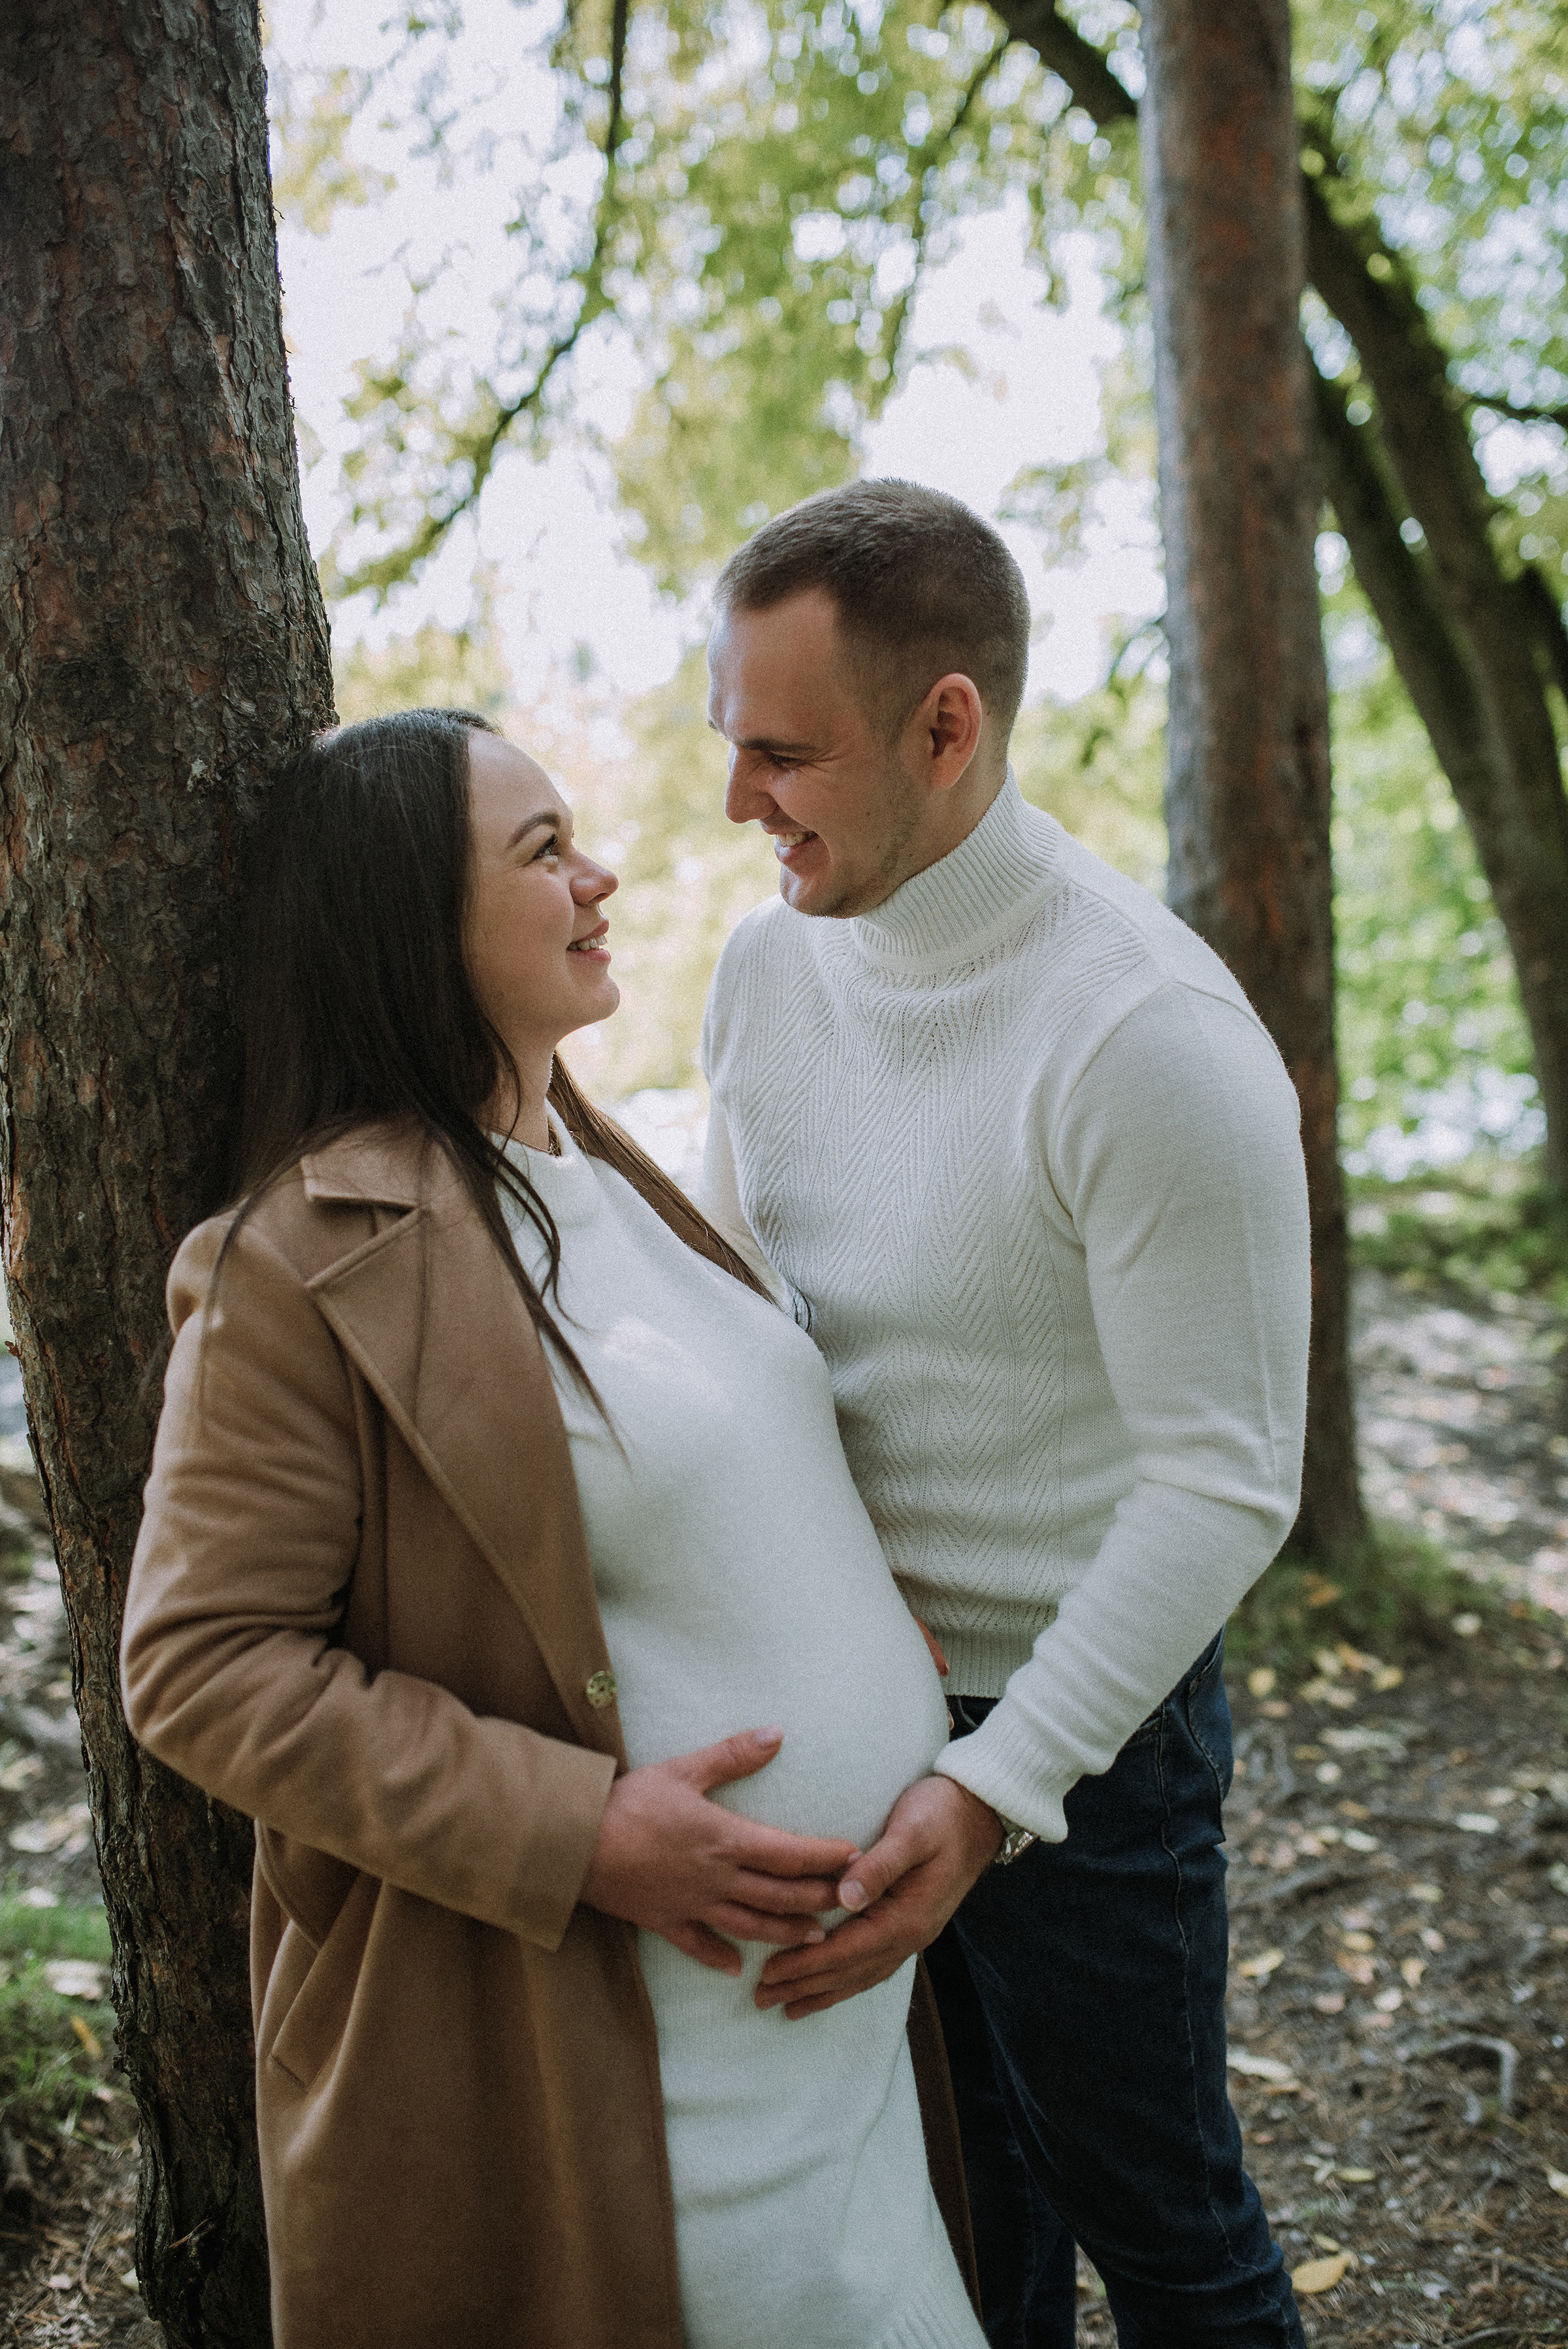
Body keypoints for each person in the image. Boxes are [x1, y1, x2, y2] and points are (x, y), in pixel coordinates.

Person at [120, 708, 986, 2349]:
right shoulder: (297, 1259)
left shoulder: (603, 1163)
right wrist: (578, 1828)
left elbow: (712, 1471)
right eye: (540, 852)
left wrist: (866, 1611)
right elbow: (200, 1666)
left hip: (830, 2048)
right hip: (614, 2061)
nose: (599, 875)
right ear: (410, 926)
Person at [697, 480, 1315, 2347]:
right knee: (964, 2232)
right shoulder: (763, 967)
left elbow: (1228, 1478)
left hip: (1084, 1753)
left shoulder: (1147, 1039)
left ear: (947, 723)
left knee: (1164, 2220)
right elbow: (744, 1333)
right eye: (730, 747)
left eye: (784, 754)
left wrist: (990, 1785)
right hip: (840, 1712)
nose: (741, 804)